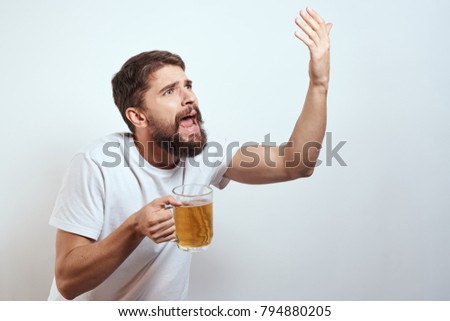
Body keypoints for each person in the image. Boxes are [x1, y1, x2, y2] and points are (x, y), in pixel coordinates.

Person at [48, 7, 333, 300]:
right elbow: (68, 282)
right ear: (138, 116)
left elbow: (296, 163)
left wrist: (319, 84)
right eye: (169, 91)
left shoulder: (204, 153)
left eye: (188, 85)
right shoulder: (95, 164)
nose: (190, 97)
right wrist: (135, 227)